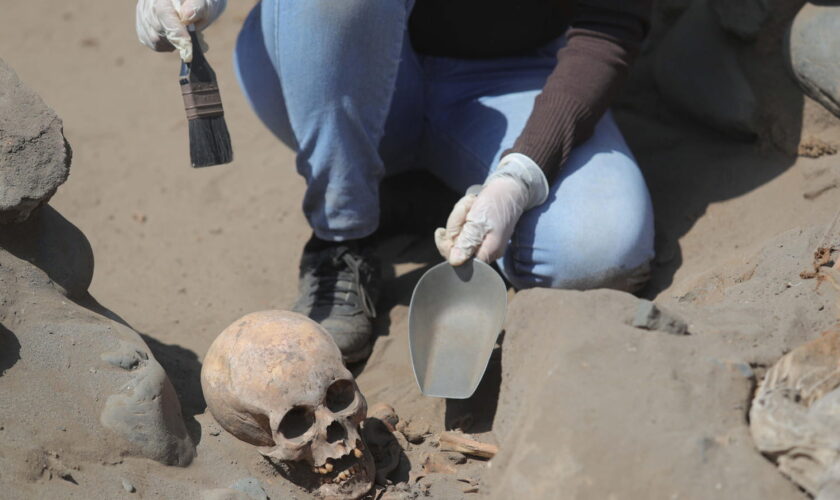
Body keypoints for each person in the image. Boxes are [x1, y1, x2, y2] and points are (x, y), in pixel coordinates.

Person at [136, 0, 655, 362]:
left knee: (597, 250)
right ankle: (342, 237)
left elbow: (609, 24)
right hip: (334, 56)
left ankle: (428, 195)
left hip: (515, 76)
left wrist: (520, 177)